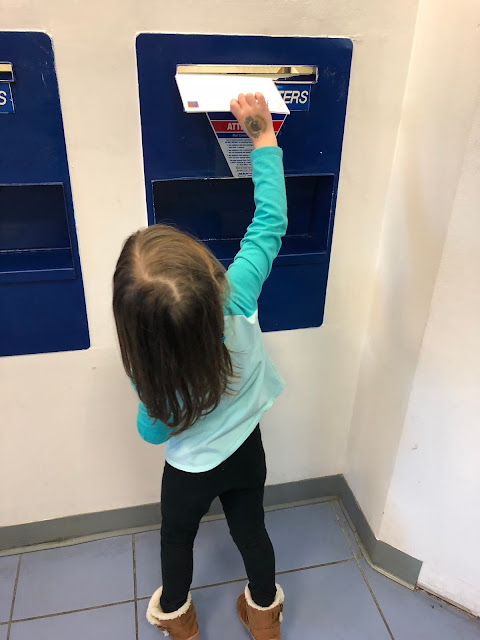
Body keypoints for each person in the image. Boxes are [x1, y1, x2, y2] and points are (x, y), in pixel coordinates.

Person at [113, 92, 287, 640]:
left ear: (136, 329)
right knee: (252, 532)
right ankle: (264, 615)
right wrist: (262, 137)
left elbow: (151, 432)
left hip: (190, 470)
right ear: (208, 272)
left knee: (176, 538)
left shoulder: (155, 377)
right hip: (246, 450)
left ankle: (179, 620)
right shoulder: (238, 295)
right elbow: (269, 223)